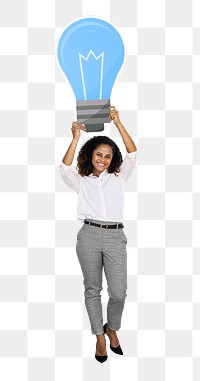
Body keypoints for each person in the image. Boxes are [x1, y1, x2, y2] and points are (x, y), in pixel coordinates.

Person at [59, 106, 138, 363]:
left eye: (107, 155)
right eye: (98, 154)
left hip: (115, 237)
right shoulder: (81, 181)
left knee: (119, 292)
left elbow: (133, 153)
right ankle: (99, 337)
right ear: (90, 155)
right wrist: (74, 138)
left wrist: (118, 123)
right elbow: (64, 168)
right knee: (92, 288)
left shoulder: (118, 176)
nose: (103, 159)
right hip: (89, 236)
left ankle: (112, 327)